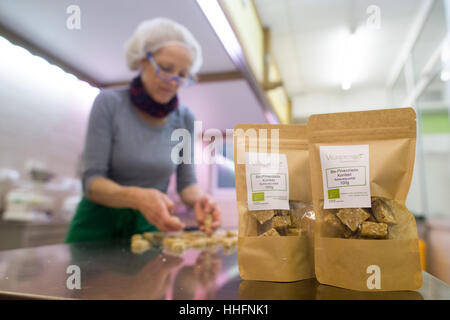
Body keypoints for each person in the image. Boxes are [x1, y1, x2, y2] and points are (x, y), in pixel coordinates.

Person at [65, 17, 221, 243]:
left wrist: (201, 200)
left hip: (150, 228)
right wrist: (136, 197)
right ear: (142, 60)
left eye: (182, 74)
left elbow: (187, 185)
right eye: (166, 69)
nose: (173, 81)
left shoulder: (185, 119)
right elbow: (92, 182)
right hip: (96, 227)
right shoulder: (109, 104)